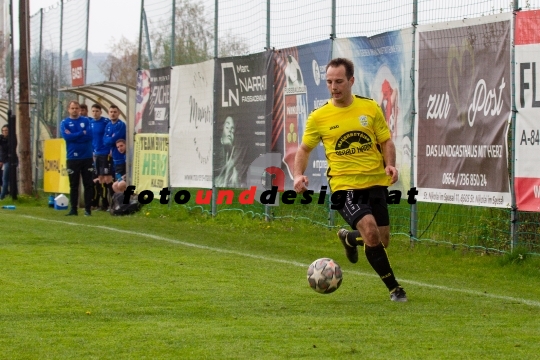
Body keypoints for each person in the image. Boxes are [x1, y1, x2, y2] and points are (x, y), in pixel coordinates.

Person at [293, 58, 407, 302]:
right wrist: (297, 174)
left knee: (382, 240)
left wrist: (390, 165)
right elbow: (303, 149)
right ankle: (395, 289)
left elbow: (386, 140)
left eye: (339, 81)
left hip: (375, 182)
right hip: (344, 186)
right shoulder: (319, 117)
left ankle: (348, 237)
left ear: (351, 81)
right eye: (329, 82)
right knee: (370, 231)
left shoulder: (369, 108)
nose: (334, 87)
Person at [60, 100, 94, 216]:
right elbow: (67, 137)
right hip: (72, 158)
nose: (74, 110)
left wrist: (75, 135)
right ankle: (73, 209)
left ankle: (88, 209)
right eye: (72, 108)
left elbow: (89, 135)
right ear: (68, 109)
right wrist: (81, 133)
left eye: (76, 108)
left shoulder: (86, 121)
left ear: (80, 109)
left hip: (87, 157)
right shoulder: (64, 122)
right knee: (73, 185)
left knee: (88, 184)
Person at [90, 103, 112, 210]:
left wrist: (110, 149)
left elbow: (110, 135)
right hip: (96, 154)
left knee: (106, 179)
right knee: (99, 179)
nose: (95, 113)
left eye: (97, 111)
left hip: (105, 154)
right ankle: (103, 203)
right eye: (93, 111)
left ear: (101, 112)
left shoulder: (106, 122)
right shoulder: (90, 123)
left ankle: (109, 203)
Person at [103, 105, 127, 197]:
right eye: (111, 112)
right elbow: (105, 141)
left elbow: (115, 139)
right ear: (108, 113)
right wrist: (110, 139)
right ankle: (119, 203)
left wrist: (110, 139)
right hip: (114, 159)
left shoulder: (121, 125)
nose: (113, 114)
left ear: (119, 113)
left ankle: (126, 202)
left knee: (121, 182)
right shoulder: (108, 125)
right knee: (116, 180)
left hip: (121, 159)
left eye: (115, 112)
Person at [214, 116, 240, 187]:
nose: (230, 131)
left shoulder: (236, 174)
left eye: (232, 129)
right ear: (221, 139)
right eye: (227, 127)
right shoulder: (215, 170)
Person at [0, 124, 18, 200]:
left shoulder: (11, 139)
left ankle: (2, 196)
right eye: (3, 131)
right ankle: (10, 194)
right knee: (7, 178)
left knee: (6, 179)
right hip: (4, 160)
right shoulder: (1, 138)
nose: (4, 132)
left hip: (10, 160)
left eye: (6, 130)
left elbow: (9, 149)